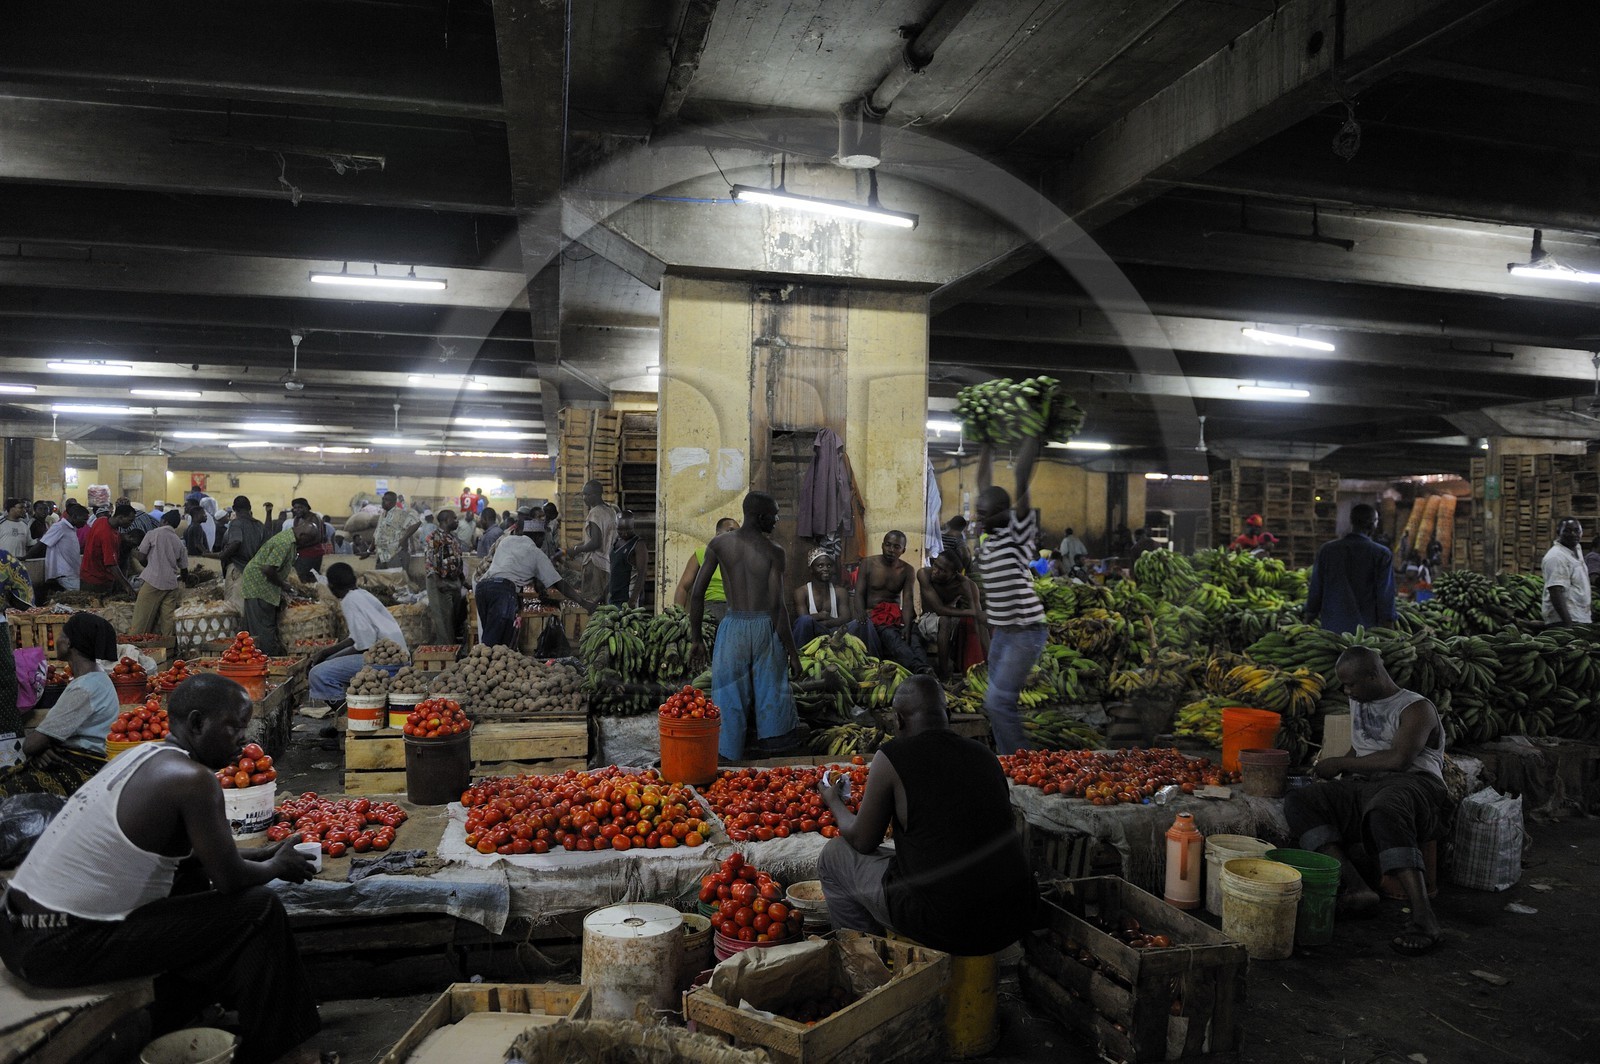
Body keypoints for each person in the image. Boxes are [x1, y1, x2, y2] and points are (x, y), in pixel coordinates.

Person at [0, 673, 323, 1063]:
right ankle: (279, 1047)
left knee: (188, 882)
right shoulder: (192, 779)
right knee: (259, 908)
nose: (243, 736)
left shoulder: (145, 756)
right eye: (235, 726)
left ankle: (186, 1010)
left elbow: (203, 858)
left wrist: (270, 855)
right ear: (198, 722)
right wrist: (276, 866)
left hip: (18, 932)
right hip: (58, 945)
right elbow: (230, 878)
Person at [816, 676, 1036, 956]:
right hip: (1014, 915)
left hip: (948, 923)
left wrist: (833, 801)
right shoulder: (985, 755)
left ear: (898, 720)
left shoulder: (893, 755)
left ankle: (863, 963)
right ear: (948, 714)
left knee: (834, 856)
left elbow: (862, 841)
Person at [1284, 646, 1451, 956]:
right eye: (1344, 685)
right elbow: (1363, 747)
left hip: (1415, 785)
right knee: (1301, 801)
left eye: (1351, 684)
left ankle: (1424, 918)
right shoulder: (1360, 699)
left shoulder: (1415, 708)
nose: (1347, 691)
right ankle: (1356, 886)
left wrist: (1340, 764)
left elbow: (1399, 759)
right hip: (1366, 784)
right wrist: (1339, 772)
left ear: (1374, 675)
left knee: (1384, 810)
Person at [689, 492, 805, 760]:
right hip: (764, 626)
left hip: (733, 627)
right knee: (771, 694)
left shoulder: (719, 545)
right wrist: (793, 652)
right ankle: (772, 759)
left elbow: (697, 595)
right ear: (762, 516)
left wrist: (696, 639)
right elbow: (777, 607)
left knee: (728, 697)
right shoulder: (774, 551)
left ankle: (727, 759)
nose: (776, 521)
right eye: (774, 515)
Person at [974, 425, 1047, 755]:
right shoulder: (990, 538)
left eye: (984, 514)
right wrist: (986, 445)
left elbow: (1021, 481)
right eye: (978, 513)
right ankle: (1007, 756)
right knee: (994, 698)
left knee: (999, 702)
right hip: (1005, 631)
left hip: (1026, 632)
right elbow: (982, 484)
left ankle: (1018, 763)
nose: (978, 519)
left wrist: (1032, 435)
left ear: (1002, 514)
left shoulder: (1018, 535)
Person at [0, 614, 119, 797]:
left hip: (82, 768)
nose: (57, 640)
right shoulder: (99, 678)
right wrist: (44, 748)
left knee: (6, 790)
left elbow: (31, 746)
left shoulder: (83, 688)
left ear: (69, 643)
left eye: (61, 635)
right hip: (82, 760)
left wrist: (40, 748)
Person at [473, 519, 593, 647]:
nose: (543, 541)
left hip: (482, 588)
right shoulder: (536, 553)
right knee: (496, 643)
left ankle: (484, 662)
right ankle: (485, 664)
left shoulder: (507, 541)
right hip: (502, 593)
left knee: (489, 634)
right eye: (542, 537)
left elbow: (514, 566)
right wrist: (583, 602)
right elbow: (559, 583)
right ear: (538, 536)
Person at [308, 564, 409, 702]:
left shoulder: (349, 601)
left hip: (386, 663)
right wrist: (326, 653)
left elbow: (365, 645)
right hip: (401, 659)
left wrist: (328, 658)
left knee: (318, 673)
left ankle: (347, 713)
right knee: (327, 663)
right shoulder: (362, 594)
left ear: (331, 586)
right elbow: (355, 639)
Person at [1305, 503, 1397, 634]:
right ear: (1373, 524)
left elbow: (1316, 587)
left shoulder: (1328, 550)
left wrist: (1310, 614)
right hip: (1366, 630)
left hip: (1332, 628)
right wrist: (1389, 622)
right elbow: (1385, 594)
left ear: (1351, 521)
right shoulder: (1382, 554)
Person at [848, 531, 931, 674]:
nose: (891, 550)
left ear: (903, 550)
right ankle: (918, 669)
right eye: (888, 545)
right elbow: (859, 593)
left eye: (896, 547)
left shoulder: (907, 570)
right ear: (882, 545)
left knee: (913, 634)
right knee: (891, 636)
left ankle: (927, 671)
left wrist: (906, 625)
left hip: (895, 615)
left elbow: (907, 600)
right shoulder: (868, 564)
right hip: (874, 615)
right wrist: (860, 613)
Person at [240, 520, 321, 656]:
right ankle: (268, 659)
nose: (307, 545)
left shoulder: (289, 539)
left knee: (257, 624)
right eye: (309, 541)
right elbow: (268, 569)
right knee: (264, 626)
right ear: (302, 535)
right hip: (260, 585)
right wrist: (283, 585)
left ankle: (253, 655)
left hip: (261, 584)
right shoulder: (285, 543)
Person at [916, 552, 987, 679]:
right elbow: (939, 609)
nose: (935, 571)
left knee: (974, 623)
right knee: (945, 620)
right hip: (928, 619)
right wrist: (972, 612)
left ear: (954, 574)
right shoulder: (924, 574)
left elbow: (979, 616)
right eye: (935, 565)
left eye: (942, 570)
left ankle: (981, 666)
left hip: (952, 620)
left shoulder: (967, 585)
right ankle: (944, 674)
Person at [131, 510, 188, 638]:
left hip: (153, 581)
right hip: (171, 585)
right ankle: (167, 647)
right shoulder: (179, 542)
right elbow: (184, 568)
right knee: (167, 620)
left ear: (164, 521)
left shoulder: (153, 534)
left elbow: (141, 557)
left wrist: (132, 552)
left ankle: (135, 644)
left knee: (142, 617)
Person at [674, 517, 739, 621]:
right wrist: (677, 617)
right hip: (710, 607)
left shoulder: (742, 557)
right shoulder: (702, 553)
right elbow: (683, 587)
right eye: (730, 530)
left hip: (736, 607)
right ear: (718, 534)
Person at [793, 547, 852, 646]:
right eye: (820, 566)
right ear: (811, 569)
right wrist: (821, 616)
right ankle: (798, 656)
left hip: (835, 635)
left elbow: (846, 619)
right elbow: (803, 619)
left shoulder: (840, 592)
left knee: (860, 624)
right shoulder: (802, 592)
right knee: (804, 621)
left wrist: (824, 622)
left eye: (829, 566)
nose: (826, 569)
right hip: (812, 638)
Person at [571, 479, 618, 603]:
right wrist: (578, 546)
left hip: (596, 563)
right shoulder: (610, 510)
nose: (584, 498)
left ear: (596, 495)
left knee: (593, 601)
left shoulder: (594, 513)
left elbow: (595, 543)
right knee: (605, 600)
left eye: (587, 494)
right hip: (608, 562)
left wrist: (576, 550)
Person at [424, 509, 465, 645]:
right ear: (446, 520)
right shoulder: (435, 537)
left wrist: (462, 580)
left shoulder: (452, 537)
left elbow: (456, 559)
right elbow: (431, 561)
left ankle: (453, 649)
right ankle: (447, 652)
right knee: (443, 620)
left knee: (452, 619)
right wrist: (438, 581)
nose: (457, 521)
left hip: (454, 581)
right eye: (454, 518)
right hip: (440, 581)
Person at [217, 495, 267, 606]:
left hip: (238, 569)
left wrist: (222, 555)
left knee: (235, 607)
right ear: (250, 508)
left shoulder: (236, 523)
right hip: (255, 570)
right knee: (251, 605)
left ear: (234, 509)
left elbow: (236, 542)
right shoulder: (259, 525)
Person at [1542, 516, 1591, 625]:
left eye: (1576, 530)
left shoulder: (1576, 549)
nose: (1573, 534)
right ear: (1558, 532)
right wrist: (1568, 625)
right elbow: (1555, 591)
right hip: (1565, 619)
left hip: (1580, 617)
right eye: (1567, 531)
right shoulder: (1556, 557)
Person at [80, 502, 135, 596]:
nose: (131, 524)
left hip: (87, 575)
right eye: (130, 520)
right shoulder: (108, 536)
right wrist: (126, 585)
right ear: (120, 517)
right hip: (97, 581)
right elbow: (111, 564)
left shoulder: (101, 520)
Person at [39, 503, 86, 597]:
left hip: (72, 573)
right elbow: (42, 543)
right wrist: (26, 557)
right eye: (84, 519)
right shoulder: (59, 527)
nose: (85, 522)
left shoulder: (71, 529)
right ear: (74, 516)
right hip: (64, 575)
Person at [607, 509, 650, 608]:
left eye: (628, 529)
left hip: (628, 598)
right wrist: (604, 594)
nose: (625, 533)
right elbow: (614, 571)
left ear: (633, 526)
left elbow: (642, 574)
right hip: (613, 597)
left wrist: (633, 600)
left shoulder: (638, 545)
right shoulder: (616, 542)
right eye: (620, 530)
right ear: (616, 526)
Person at [372, 491, 419, 570]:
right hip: (381, 555)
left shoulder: (400, 513)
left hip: (395, 554)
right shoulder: (383, 515)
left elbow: (417, 522)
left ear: (394, 502)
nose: (383, 501)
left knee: (395, 580)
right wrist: (369, 550)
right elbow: (377, 533)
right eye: (383, 499)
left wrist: (404, 539)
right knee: (381, 579)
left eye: (386, 500)